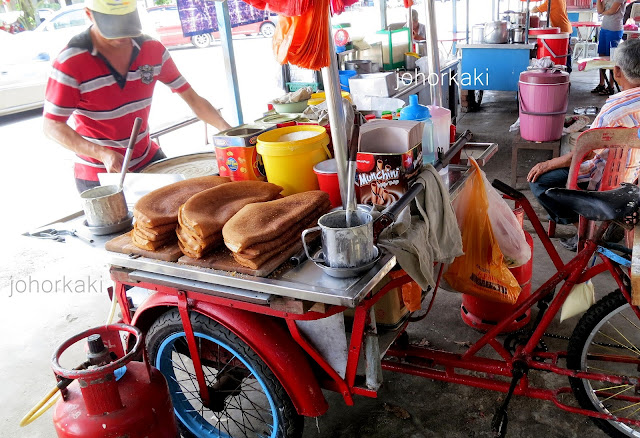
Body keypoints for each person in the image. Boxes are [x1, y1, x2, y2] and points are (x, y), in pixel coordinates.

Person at [43, 0, 232, 193]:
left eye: (126, 24)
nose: (123, 36)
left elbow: (192, 98)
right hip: (99, 172)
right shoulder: (70, 63)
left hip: (147, 158)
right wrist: (102, 154)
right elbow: (52, 126)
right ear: (89, 14)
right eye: (113, 27)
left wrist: (227, 131)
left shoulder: (152, 49)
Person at [528, 38, 640, 250]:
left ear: (617, 72)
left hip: (611, 181)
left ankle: (586, 226)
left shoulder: (614, 109)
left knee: (540, 181)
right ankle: (606, 224)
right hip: (636, 181)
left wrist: (550, 163)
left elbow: (587, 152)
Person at [592, 0, 624, 95]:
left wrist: (602, 13)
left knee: (612, 57)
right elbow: (599, 10)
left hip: (614, 29)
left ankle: (611, 85)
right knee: (602, 55)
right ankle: (601, 83)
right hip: (604, 28)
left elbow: (613, 10)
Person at [532, 0, 573, 72]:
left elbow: (536, 10)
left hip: (562, 30)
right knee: (566, 53)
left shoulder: (552, 1)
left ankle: (565, 73)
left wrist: (532, 9)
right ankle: (567, 72)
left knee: (564, 53)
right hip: (565, 28)